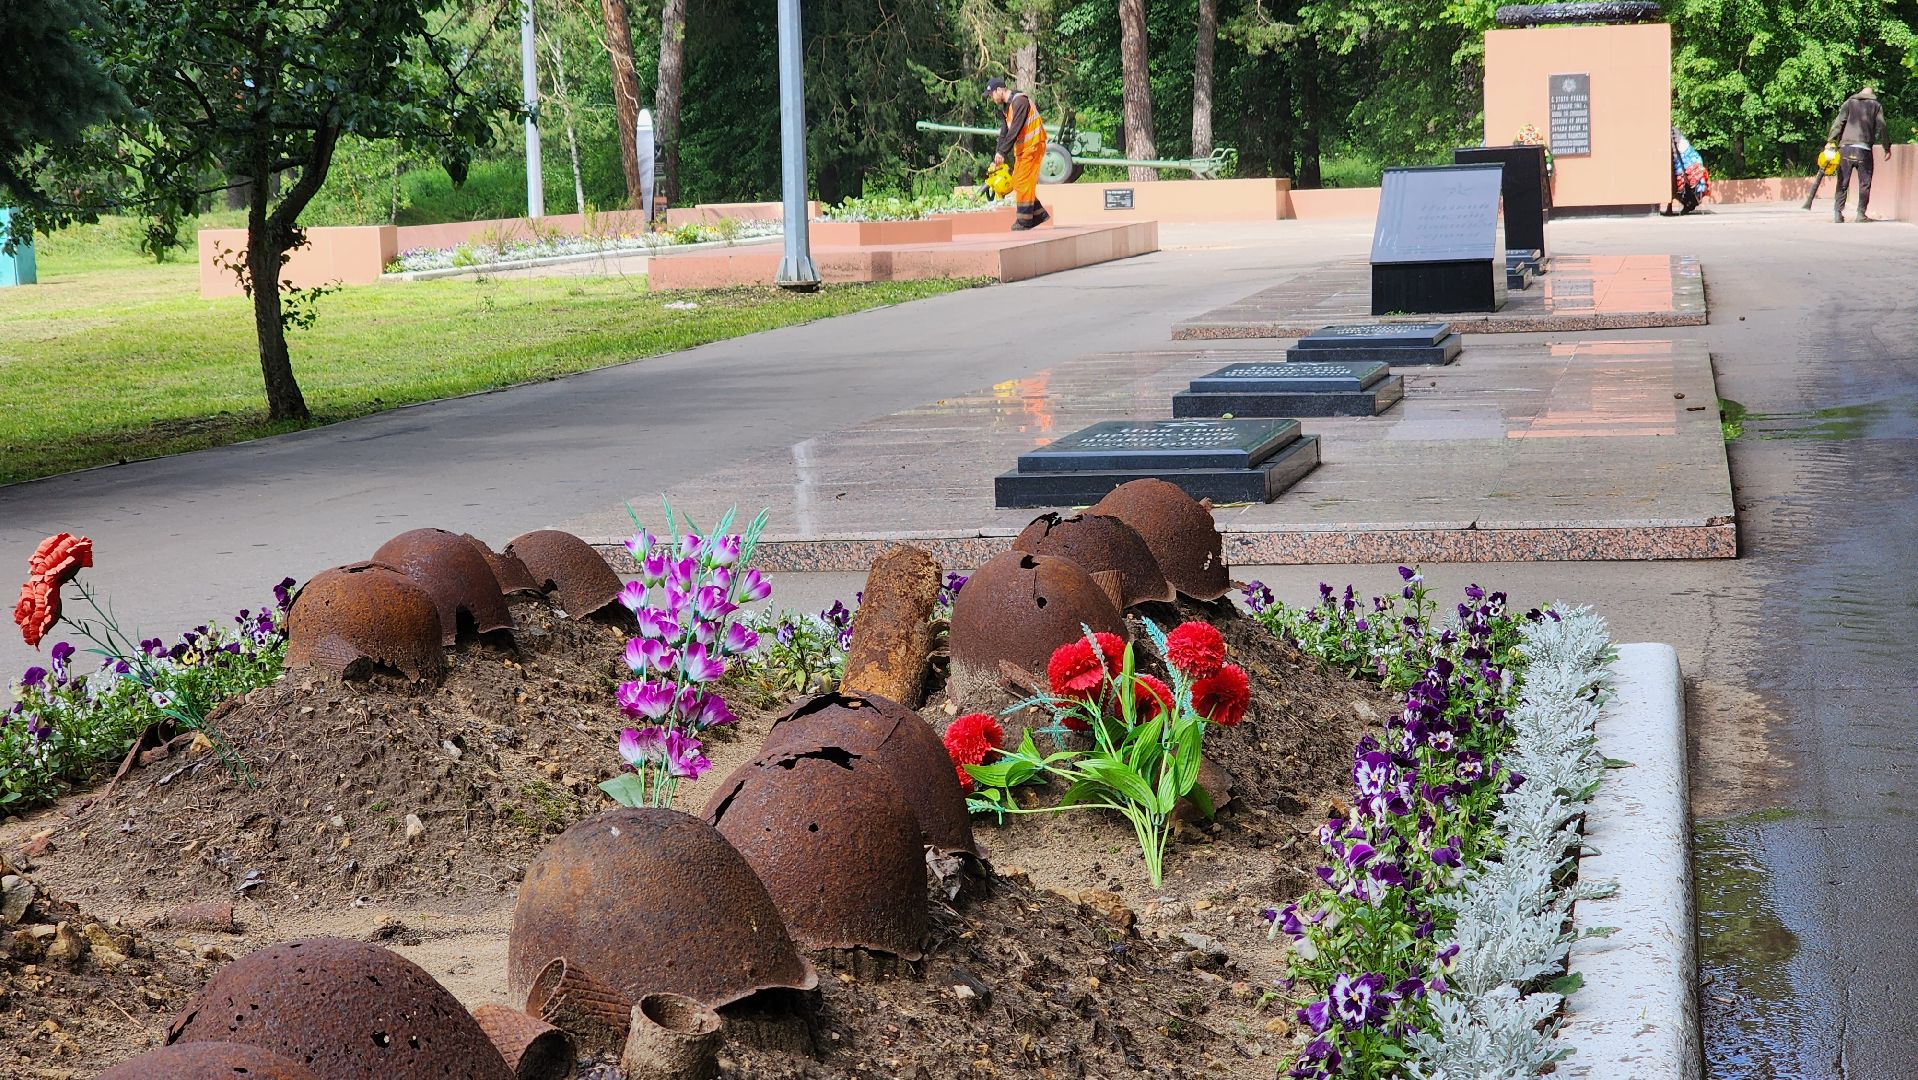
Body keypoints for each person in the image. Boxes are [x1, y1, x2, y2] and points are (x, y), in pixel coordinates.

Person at [987, 77, 1050, 230]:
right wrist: (997, 155)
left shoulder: (1020, 101)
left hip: (1034, 146)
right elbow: (1004, 133)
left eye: (991, 95)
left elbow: (1015, 129)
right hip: (1023, 149)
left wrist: (1002, 152)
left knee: (1023, 182)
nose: (991, 98)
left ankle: (1024, 221)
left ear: (999, 90)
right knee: (1017, 181)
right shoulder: (1007, 107)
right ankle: (1039, 214)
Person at [1827, 86, 1891, 222]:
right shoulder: (1876, 105)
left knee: (1842, 182)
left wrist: (1830, 140)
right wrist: (1886, 147)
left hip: (1845, 148)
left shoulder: (1849, 103)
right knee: (1864, 183)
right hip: (1864, 149)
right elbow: (1882, 126)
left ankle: (1837, 213)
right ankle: (1861, 214)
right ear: (1872, 95)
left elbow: (1838, 122)